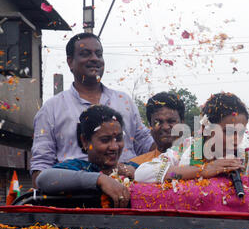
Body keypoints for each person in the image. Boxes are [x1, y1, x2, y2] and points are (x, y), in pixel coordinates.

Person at [31, 32, 153, 187]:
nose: (94, 58)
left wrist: (174, 144)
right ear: (70, 62)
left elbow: (146, 144)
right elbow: (40, 171)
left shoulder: (124, 101)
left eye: (99, 54)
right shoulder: (51, 109)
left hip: (129, 191)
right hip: (77, 199)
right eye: (85, 54)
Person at [134, 92, 247, 183]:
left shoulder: (245, 157)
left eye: (241, 133)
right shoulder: (185, 149)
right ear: (205, 128)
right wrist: (203, 170)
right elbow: (141, 173)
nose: (236, 140)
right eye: (227, 132)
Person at [36, 105, 133, 208]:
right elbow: (43, 179)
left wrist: (140, 174)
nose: (114, 147)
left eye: (118, 139)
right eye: (105, 140)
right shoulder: (78, 167)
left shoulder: (131, 169)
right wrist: (99, 180)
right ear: (85, 141)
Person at [129, 92, 186, 165]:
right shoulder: (136, 166)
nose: (165, 127)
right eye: (158, 122)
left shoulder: (197, 161)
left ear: (183, 123)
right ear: (150, 126)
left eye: (171, 121)